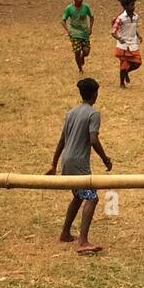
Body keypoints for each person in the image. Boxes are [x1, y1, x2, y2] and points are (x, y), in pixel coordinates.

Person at [48, 76, 112, 255]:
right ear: (95, 94)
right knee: (92, 197)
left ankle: (65, 233)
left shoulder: (71, 113)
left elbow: (62, 140)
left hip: (66, 161)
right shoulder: (93, 114)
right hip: (78, 163)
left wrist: (54, 164)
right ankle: (82, 242)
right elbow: (93, 139)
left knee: (78, 196)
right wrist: (106, 159)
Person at [111, 0, 142, 87]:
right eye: (131, 5)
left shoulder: (136, 16)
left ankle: (126, 73)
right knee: (124, 64)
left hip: (133, 43)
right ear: (125, 7)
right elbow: (113, 32)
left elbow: (133, 28)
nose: (133, 7)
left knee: (137, 62)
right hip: (123, 44)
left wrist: (138, 35)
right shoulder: (121, 18)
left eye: (134, 5)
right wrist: (119, 38)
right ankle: (122, 83)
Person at [61, 0, 93, 72]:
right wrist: (68, 31)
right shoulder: (69, 8)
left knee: (86, 52)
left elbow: (92, 17)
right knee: (77, 51)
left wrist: (90, 28)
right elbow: (63, 21)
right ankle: (80, 69)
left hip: (84, 33)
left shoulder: (86, 7)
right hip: (74, 33)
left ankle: (82, 57)